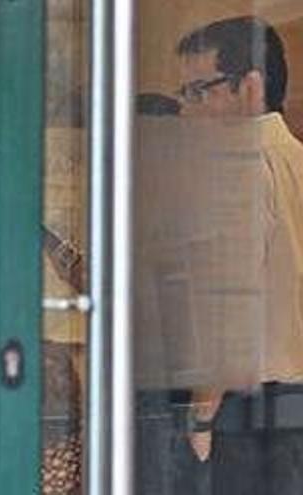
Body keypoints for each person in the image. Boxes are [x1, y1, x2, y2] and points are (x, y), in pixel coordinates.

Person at [172, 16, 303, 494]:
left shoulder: (236, 171)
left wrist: (201, 417)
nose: (187, 111)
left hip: (249, 418)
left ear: (250, 87)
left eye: (199, 91)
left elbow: (226, 308)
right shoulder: (295, 161)